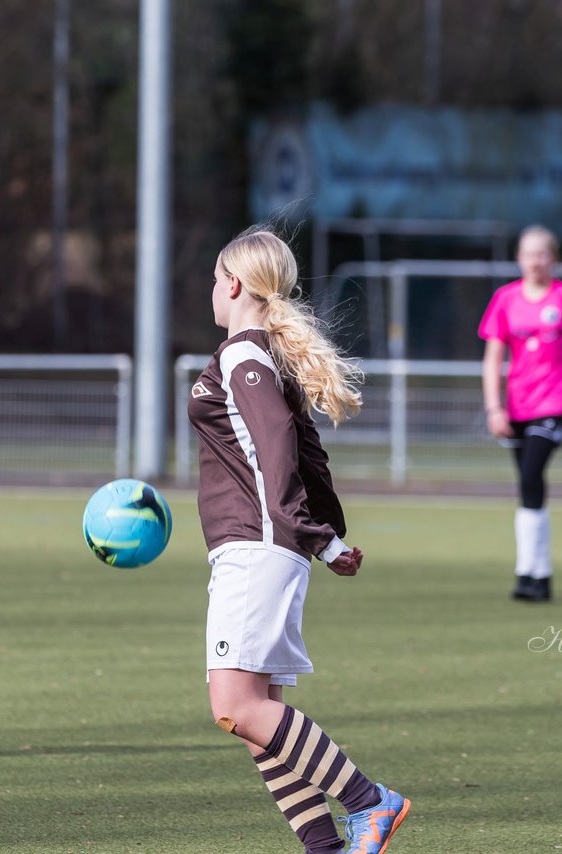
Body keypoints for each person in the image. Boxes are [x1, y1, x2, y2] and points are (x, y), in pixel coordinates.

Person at [188, 228, 410, 854]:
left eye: (213, 278)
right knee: (262, 720)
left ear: (232, 283)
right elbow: (306, 453)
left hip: (257, 544)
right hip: (269, 544)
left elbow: (275, 455)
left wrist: (315, 536)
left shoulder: (241, 359)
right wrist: (326, 536)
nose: (212, 290)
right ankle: (324, 846)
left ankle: (371, 802)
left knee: (234, 707)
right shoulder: (264, 359)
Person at [480, 225, 562, 602]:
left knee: (532, 473)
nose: (535, 261)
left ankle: (529, 574)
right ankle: (536, 576)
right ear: (519, 258)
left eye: (542, 253)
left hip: (553, 404)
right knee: (528, 484)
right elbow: (493, 357)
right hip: (516, 405)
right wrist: (493, 406)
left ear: (554, 258)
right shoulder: (505, 299)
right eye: (528, 254)